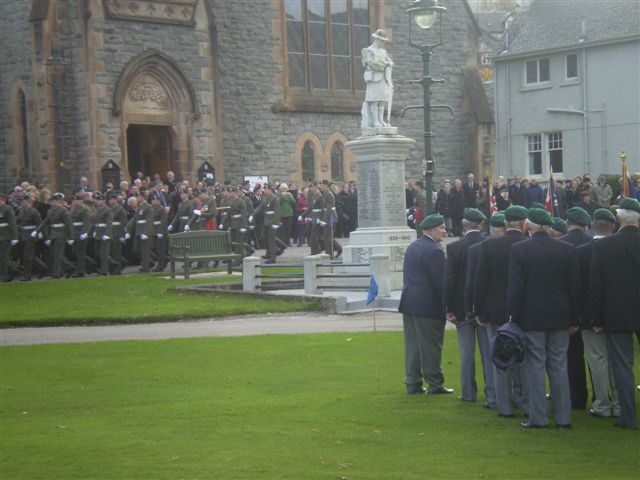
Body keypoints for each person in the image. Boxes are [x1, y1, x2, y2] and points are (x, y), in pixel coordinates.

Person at [507, 208, 580, 429]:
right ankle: (563, 417)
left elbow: (516, 288)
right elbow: (574, 287)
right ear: (549, 227)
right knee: (559, 366)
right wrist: (575, 318)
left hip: (532, 318)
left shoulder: (520, 250)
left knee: (535, 367)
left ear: (528, 226)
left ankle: (538, 418)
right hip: (560, 317)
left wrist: (513, 316)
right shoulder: (566, 249)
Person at [589, 197, 640, 429]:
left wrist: (597, 319)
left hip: (617, 312)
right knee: (621, 365)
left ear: (618, 219)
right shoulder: (604, 246)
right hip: (622, 311)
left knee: (622, 366)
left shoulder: (604, 246)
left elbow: (596, 286)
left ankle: (628, 418)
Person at [474, 206, 529, 418]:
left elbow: (481, 281)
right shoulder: (528, 244)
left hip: (495, 309)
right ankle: (524, 402)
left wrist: (478, 309)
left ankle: (504, 405)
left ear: (506, 224)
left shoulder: (490, 245)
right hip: (523, 309)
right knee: (523, 358)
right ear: (524, 223)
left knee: (498, 357)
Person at [398, 214, 453, 395]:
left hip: (410, 302)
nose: (444, 231)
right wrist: (448, 307)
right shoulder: (434, 250)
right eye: (441, 228)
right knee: (431, 345)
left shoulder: (413, 246)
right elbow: (441, 283)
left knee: (413, 345)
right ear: (430, 230)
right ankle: (435, 383)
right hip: (428, 304)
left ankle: (413, 382)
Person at [575, 208, 620, 419]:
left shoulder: (581, 252)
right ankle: (619, 403)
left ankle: (603, 403)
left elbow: (578, 288)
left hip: (589, 316)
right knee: (618, 361)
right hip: (617, 316)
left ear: (592, 226)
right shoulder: (621, 248)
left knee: (598, 360)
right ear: (613, 227)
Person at [444, 208, 488, 404]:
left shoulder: (455, 248)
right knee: (488, 353)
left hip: (462, 307)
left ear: (463, 223)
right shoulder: (488, 244)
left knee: (466, 353)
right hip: (485, 307)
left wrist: (449, 308)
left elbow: (450, 280)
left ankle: (469, 393)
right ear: (481, 225)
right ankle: (493, 393)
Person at [560, 206, 592, 411]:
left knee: (572, 356)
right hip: (592, 309)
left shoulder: (559, 245)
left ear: (567, 223)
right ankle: (601, 396)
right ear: (585, 225)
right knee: (598, 357)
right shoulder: (593, 244)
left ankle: (577, 396)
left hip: (568, 310)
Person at [37, 193, 74, 279]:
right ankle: (69, 268)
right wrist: (37, 230)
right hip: (53, 234)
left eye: (54, 201)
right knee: (54, 254)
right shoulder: (50, 211)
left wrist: (70, 237)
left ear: (58, 201)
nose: (52, 203)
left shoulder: (63, 210)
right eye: (51, 201)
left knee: (57, 255)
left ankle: (56, 274)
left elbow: (69, 224)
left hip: (61, 234)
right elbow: (45, 222)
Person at [361, 29, 393, 130]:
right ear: (377, 39)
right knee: (374, 100)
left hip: (383, 79)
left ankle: (380, 120)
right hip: (374, 78)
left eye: (384, 41)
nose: (383, 43)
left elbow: (391, 62)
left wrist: (389, 64)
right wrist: (384, 65)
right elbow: (372, 63)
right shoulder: (370, 50)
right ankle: (374, 121)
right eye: (382, 40)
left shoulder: (384, 51)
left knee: (381, 101)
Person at [250, 185, 280, 264]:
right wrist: (252, 215)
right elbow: (259, 207)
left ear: (270, 190)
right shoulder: (265, 198)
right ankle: (269, 252)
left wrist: (276, 222)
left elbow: (277, 211)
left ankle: (272, 257)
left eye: (266, 189)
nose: (264, 191)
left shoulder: (274, 198)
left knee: (271, 240)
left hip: (272, 221)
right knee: (264, 237)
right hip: (266, 221)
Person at [91, 191, 113, 276]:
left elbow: (109, 223)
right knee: (98, 253)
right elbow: (93, 223)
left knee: (104, 254)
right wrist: (90, 232)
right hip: (98, 233)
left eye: (99, 200)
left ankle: (104, 271)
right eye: (97, 200)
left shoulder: (107, 210)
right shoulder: (97, 210)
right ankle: (114, 265)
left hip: (104, 234)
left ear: (103, 201)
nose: (97, 202)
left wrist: (107, 234)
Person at [108, 191, 127, 275]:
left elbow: (123, 223)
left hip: (117, 232)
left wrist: (122, 235)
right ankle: (113, 268)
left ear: (115, 200)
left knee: (117, 253)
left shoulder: (120, 209)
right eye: (110, 199)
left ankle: (117, 269)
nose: (110, 201)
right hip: (111, 232)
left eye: (112, 199)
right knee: (111, 252)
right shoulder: (108, 209)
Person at [0, 193, 18, 282]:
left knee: (4, 257)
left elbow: (12, 223)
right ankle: (12, 272)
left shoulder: (7, 209)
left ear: (2, 199)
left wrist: (14, 237)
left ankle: (5, 275)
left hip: (6, 236)